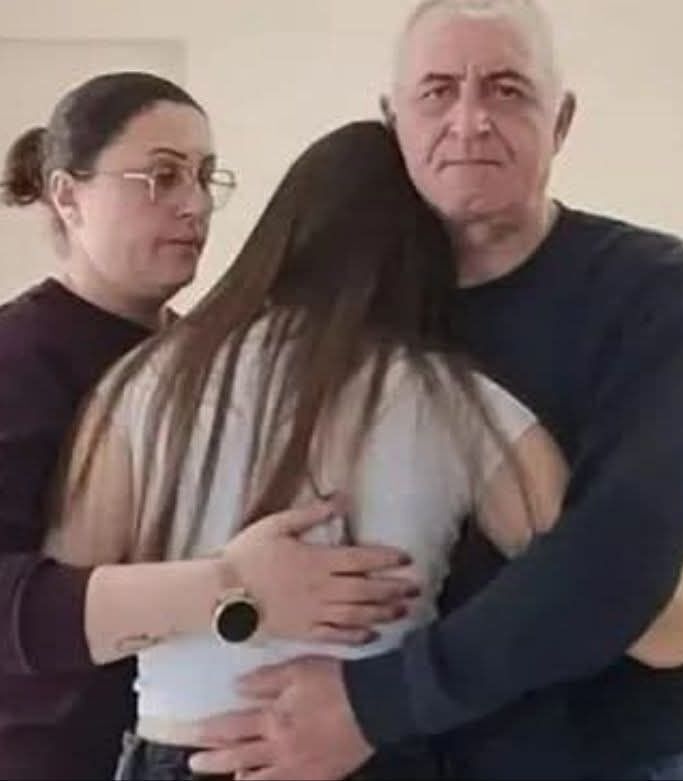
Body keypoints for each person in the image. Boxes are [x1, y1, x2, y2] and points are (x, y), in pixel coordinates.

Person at [187, 2, 683, 779]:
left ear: (560, 121)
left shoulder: (656, 291)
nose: (469, 121)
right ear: (392, 121)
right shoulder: (348, 308)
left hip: (600, 754)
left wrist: (376, 703)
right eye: (437, 91)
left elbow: (616, 556)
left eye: (506, 90)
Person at [44, 119, 579, 780]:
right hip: (369, 749)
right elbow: (589, 593)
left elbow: (66, 611)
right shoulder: (462, 402)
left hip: (184, 749)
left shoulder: (145, 382)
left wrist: (217, 593)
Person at [0, 73, 411, 780]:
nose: (193, 204)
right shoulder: (16, 357)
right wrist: (232, 586)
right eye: (160, 176)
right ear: (67, 195)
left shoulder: (205, 362)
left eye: (203, 176)